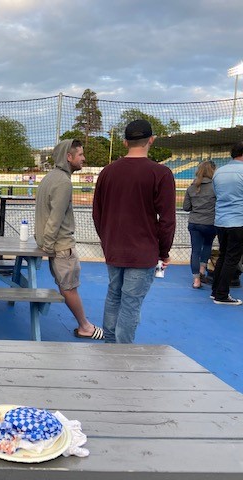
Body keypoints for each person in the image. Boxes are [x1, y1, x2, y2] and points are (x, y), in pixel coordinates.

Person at [92, 119, 176, 343]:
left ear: (124, 142)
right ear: (151, 140)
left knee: (114, 296)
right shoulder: (161, 173)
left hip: (114, 247)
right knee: (130, 302)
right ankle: (122, 352)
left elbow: (97, 213)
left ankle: (110, 346)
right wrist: (163, 251)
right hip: (142, 250)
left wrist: (107, 241)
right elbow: (167, 220)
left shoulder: (107, 172)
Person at [35, 139, 103, 340]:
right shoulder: (63, 182)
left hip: (53, 244)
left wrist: (44, 243)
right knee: (69, 289)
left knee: (66, 288)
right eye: (80, 154)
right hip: (62, 247)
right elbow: (55, 219)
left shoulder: (50, 177)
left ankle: (84, 325)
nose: (84, 158)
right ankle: (85, 327)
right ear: (69, 157)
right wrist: (48, 246)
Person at [210, 141, 243, 305]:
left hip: (221, 220)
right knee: (232, 258)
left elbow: (216, 193)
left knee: (224, 255)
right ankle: (222, 295)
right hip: (238, 220)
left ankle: (215, 290)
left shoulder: (219, 171)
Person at [183, 160, 217, 289]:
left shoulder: (192, 187)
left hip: (194, 223)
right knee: (207, 245)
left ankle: (196, 280)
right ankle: (203, 271)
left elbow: (186, 207)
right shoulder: (215, 187)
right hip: (210, 222)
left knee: (195, 251)